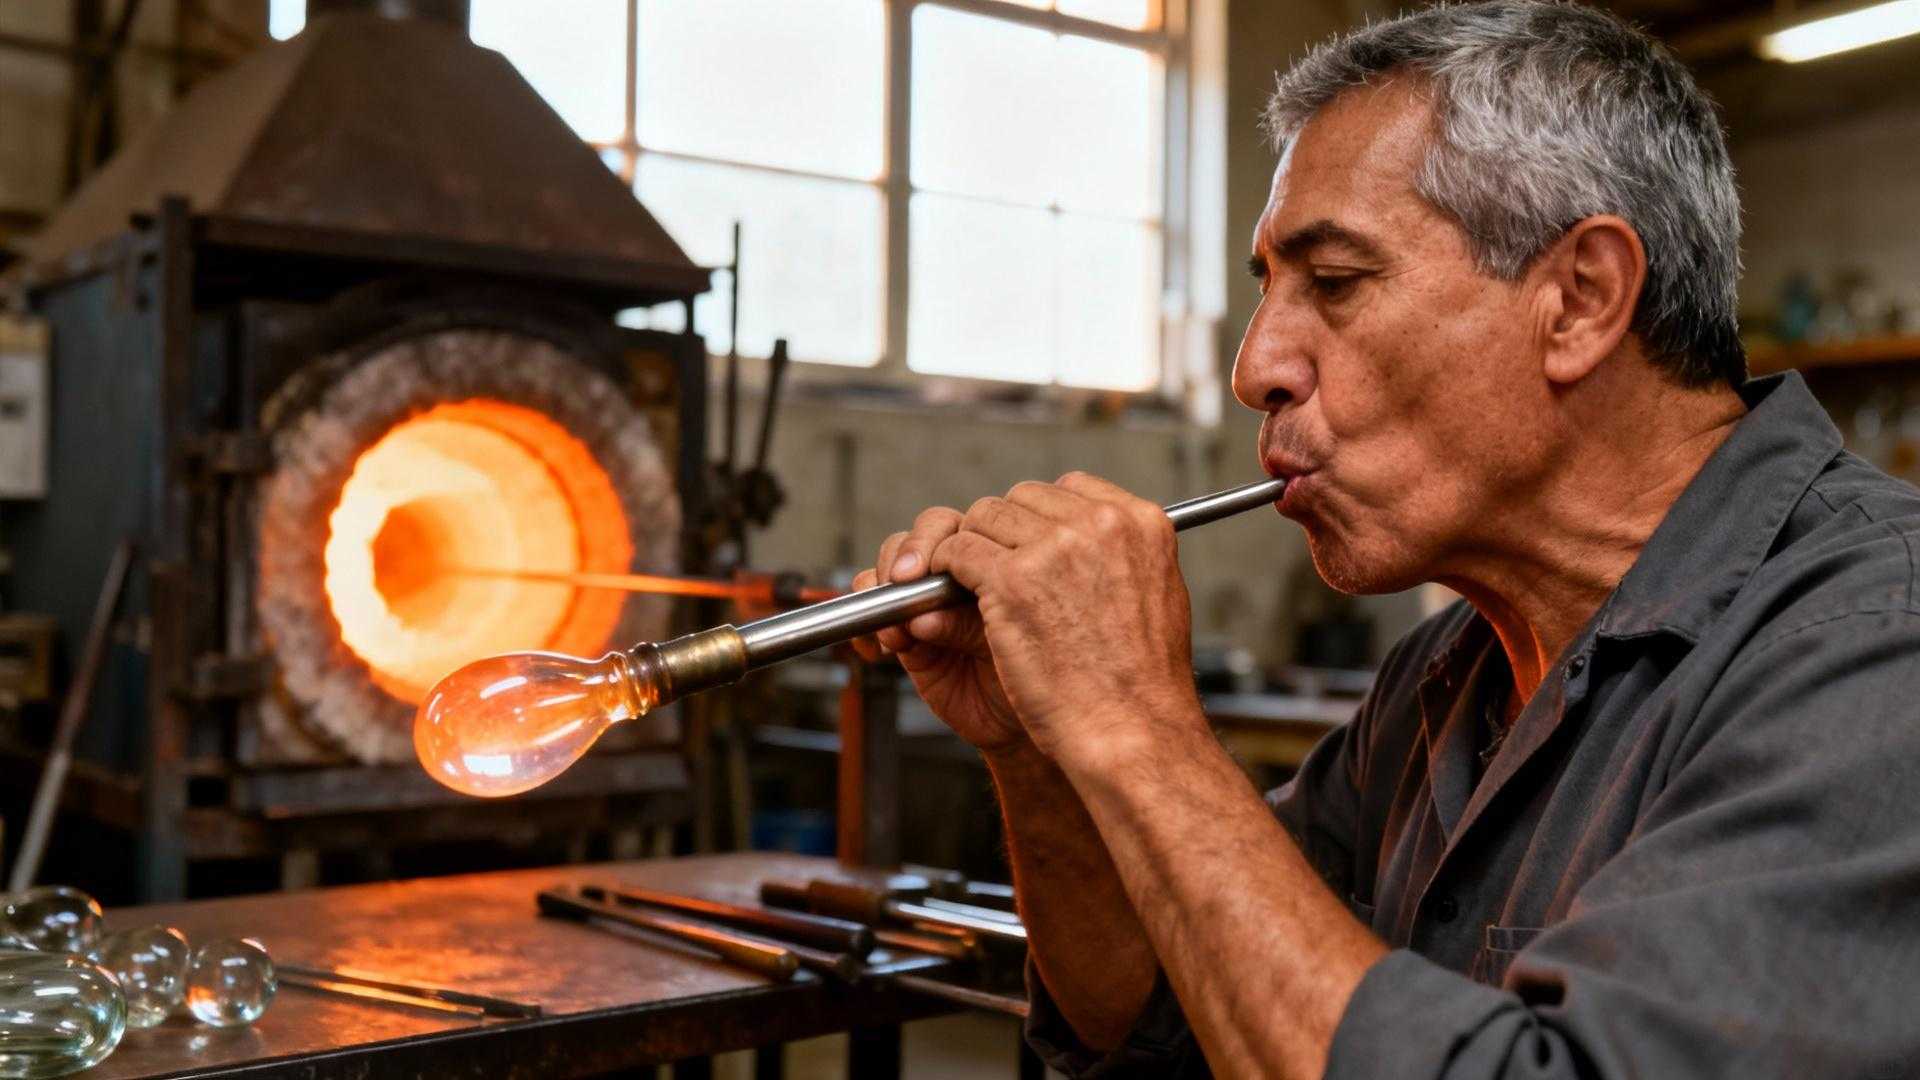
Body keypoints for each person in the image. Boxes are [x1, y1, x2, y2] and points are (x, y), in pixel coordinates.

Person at [850, 2, 1920, 1077]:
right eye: (1269, 288)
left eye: (1337, 282)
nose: (1255, 366)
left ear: (1582, 299)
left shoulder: (1875, 650)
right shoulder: (1443, 682)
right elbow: (1165, 1018)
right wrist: (1042, 746)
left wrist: (1140, 728)